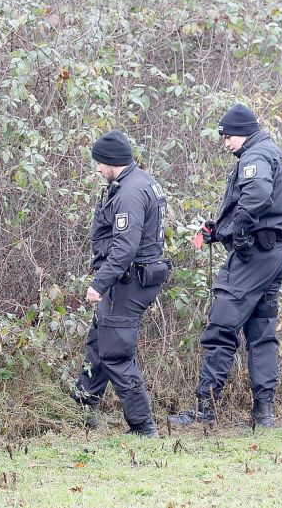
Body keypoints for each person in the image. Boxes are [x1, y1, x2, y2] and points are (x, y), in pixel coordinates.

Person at [170, 103, 282, 429]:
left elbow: (256, 196)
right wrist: (222, 230)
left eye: (228, 136)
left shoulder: (255, 157)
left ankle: (204, 410)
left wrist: (239, 231)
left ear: (244, 132)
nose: (226, 142)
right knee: (262, 333)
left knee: (221, 328)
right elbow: (267, 208)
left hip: (252, 257)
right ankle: (263, 414)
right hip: (274, 253)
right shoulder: (278, 155)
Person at [71, 130, 170, 438]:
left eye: (99, 163)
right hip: (131, 278)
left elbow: (125, 248)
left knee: (115, 353)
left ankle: (143, 426)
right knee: (99, 343)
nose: (97, 169)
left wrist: (99, 283)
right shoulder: (138, 182)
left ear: (111, 161)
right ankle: (82, 409)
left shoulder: (129, 192)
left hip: (127, 282)